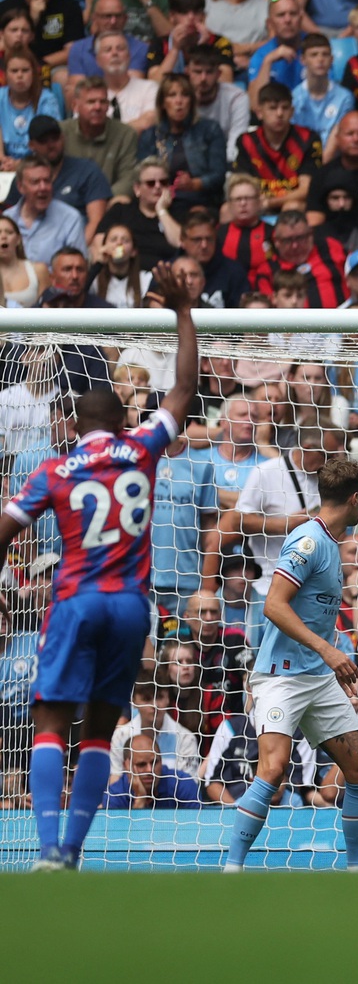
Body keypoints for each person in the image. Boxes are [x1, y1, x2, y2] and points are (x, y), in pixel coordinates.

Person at [0, 267, 195, 868]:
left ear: (74, 426)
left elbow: (5, 530)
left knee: (50, 720)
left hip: (78, 599)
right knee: (99, 725)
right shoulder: (141, 448)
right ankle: (75, 852)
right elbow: (183, 392)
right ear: (119, 422)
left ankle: (49, 848)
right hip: (134, 605)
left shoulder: (53, 471)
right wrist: (185, 311)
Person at [220, 458, 358, 872]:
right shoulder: (307, 541)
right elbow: (273, 605)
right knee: (272, 770)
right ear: (356, 498)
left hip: (318, 679)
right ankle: (231, 869)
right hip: (281, 676)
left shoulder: (329, 541)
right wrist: (328, 650)